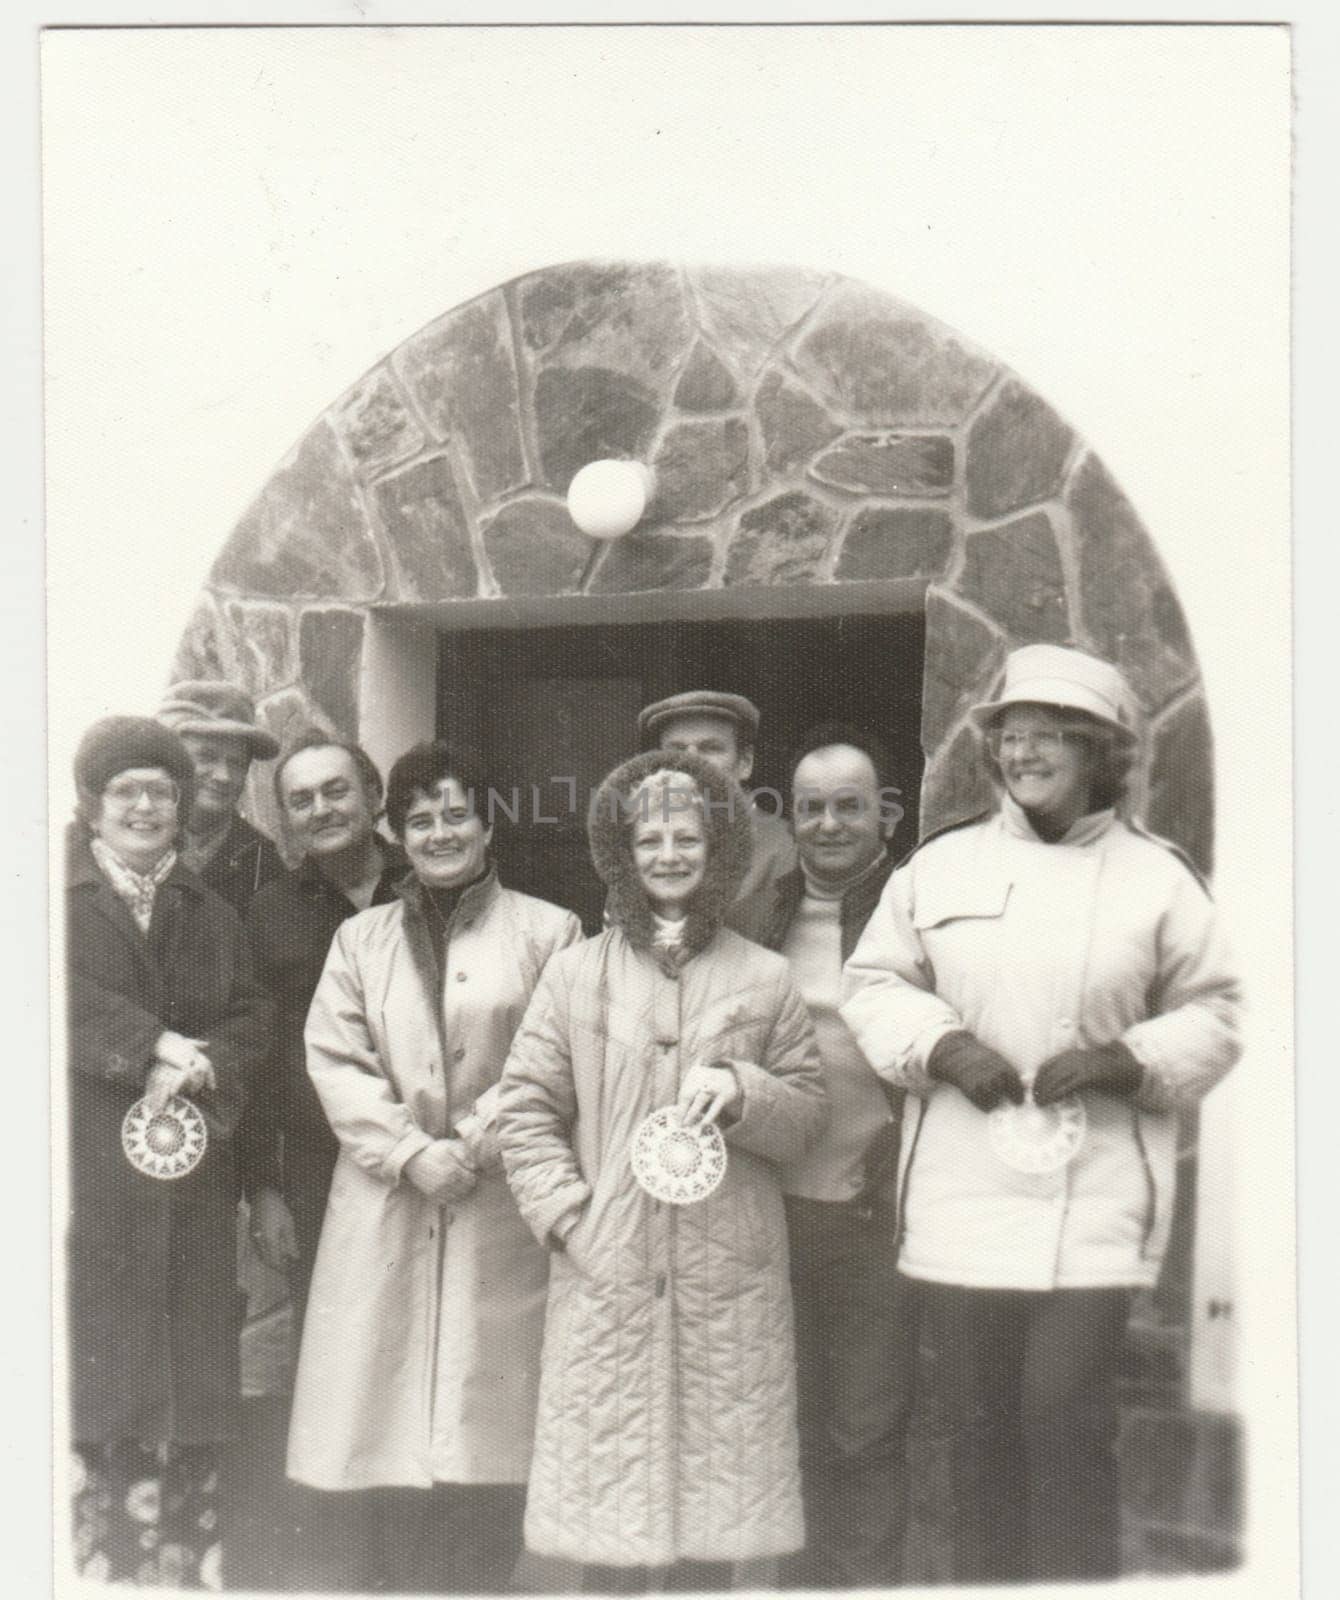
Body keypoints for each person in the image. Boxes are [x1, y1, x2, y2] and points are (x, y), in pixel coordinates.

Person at [840, 644, 1243, 1585]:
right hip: (962, 1200)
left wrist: (1125, 1058)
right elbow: (873, 985)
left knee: (1062, 1425)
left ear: (1099, 750)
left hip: (1093, 1202)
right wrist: (944, 1045)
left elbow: (1226, 1008)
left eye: (1051, 736)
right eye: (1012, 736)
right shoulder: (939, 868)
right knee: (978, 1435)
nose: (1025, 755)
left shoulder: (1158, 878)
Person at [498, 750, 828, 1592]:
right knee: (612, 1526)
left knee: (709, 1536)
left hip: (729, 1279)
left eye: (689, 838)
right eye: (651, 840)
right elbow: (526, 1105)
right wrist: (572, 1218)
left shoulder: (766, 976)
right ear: (623, 852)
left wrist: (745, 1090)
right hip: (610, 1272)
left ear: (720, 850)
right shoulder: (574, 974)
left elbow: (807, 1116)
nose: (670, 854)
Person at [285, 741, 582, 1594]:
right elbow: (334, 1060)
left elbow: (548, 1057)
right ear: (398, 833)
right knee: (383, 1421)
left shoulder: (549, 930)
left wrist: (475, 1142)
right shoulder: (359, 938)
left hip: (497, 1207)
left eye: (457, 813)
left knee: (484, 1430)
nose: (441, 832)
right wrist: (412, 1152)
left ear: (489, 822)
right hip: (387, 1200)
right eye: (421, 819)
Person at [65, 717, 273, 1588]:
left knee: (188, 1386)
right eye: (128, 792)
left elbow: (253, 1019)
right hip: (89, 1180)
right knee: (100, 1377)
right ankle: (98, 1568)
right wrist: (148, 1041)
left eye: (161, 791)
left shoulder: (211, 911)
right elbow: (46, 990)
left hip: (188, 1184)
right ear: (94, 804)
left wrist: (207, 1063)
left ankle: (184, 1574)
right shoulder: (52, 899)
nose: (146, 806)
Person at [745, 724, 917, 1589]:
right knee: (789, 1431)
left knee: (865, 1429)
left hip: (867, 1216)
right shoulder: (762, 911)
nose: (828, 824)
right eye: (811, 808)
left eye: (849, 806)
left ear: (884, 811)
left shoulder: (917, 911)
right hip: (770, 1213)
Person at [242, 731, 408, 1325]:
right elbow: (256, 1063)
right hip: (320, 1164)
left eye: (337, 791)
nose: (322, 809)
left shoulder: (430, 885)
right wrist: (263, 1188)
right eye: (302, 799)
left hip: (428, 1147)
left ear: (374, 795)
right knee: (330, 1342)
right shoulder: (268, 915)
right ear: (286, 818)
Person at [633, 690, 797, 918]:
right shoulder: (640, 846)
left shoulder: (785, 848)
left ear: (745, 763)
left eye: (710, 748)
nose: (691, 762)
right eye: (676, 750)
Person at [157, 680, 282, 917]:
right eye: (206, 757)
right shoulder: (135, 840)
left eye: (236, 763)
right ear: (172, 760)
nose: (224, 776)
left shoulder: (260, 860)